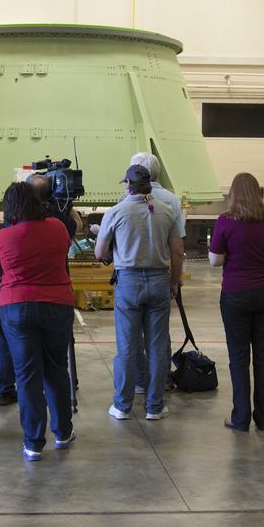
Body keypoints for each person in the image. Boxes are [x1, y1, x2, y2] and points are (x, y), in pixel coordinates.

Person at [0, 182, 77, 461]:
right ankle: (63, 432)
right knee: (56, 369)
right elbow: (63, 253)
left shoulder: (4, 236)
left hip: (17, 307)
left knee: (27, 375)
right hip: (57, 304)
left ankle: (33, 443)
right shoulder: (57, 228)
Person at [95, 164, 183, 421]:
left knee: (127, 347)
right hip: (159, 281)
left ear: (128, 185)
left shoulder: (117, 211)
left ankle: (122, 405)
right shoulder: (167, 211)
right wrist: (174, 283)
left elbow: (100, 253)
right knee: (157, 347)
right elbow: (177, 252)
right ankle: (155, 407)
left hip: (129, 283)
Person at [209, 173, 264, 432]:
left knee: (238, 357)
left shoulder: (225, 221)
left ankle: (240, 417)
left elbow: (214, 260)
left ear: (233, 193)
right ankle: (263, 417)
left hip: (235, 295)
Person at [129, 152, 186, 396]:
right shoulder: (171, 200)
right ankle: (161, 381)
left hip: (131, 277)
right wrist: (175, 281)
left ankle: (141, 381)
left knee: (133, 335)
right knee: (159, 334)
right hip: (161, 274)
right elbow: (178, 249)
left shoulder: (127, 199)